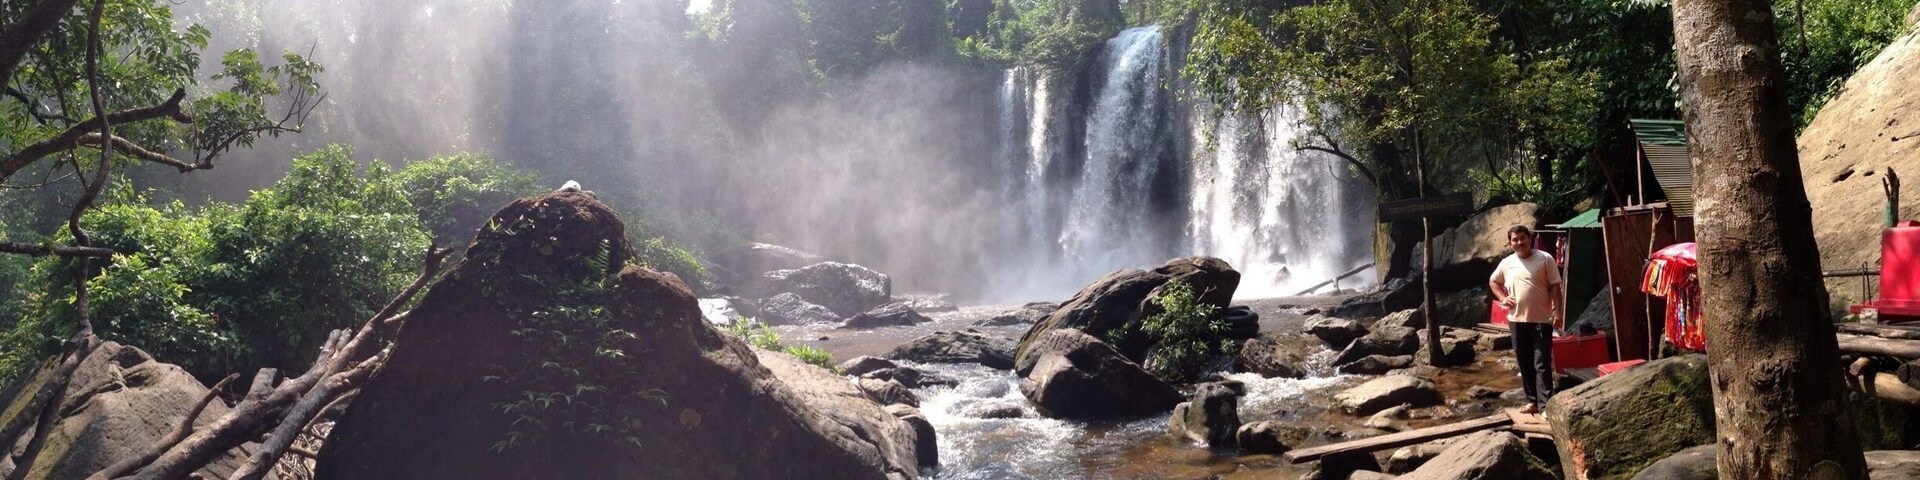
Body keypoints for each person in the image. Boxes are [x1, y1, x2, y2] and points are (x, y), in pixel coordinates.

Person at [1488, 225, 1564, 414]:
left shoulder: (1545, 258)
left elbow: (1555, 287)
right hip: (1516, 321)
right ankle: (1533, 402)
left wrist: (1559, 312)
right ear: (1510, 243)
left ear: (1530, 239)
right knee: (1524, 362)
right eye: (1515, 240)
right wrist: (1503, 298)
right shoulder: (1506, 263)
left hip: (1540, 321)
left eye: (1523, 238)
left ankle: (1546, 406)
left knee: (1541, 363)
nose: (1519, 242)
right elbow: (1493, 281)